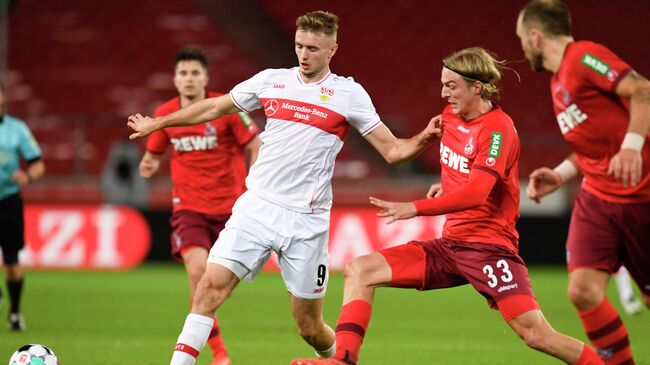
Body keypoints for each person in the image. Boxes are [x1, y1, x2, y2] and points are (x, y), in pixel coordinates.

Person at [127, 11, 441, 365]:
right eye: (299, 46)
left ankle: (338, 360)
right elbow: (215, 106)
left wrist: (424, 138)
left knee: (308, 325)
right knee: (207, 290)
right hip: (256, 208)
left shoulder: (348, 94)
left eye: (313, 48)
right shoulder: (271, 81)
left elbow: (393, 151)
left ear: (332, 50)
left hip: (306, 222)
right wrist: (160, 122)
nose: (304, 55)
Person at [291, 47, 603, 365]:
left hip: (488, 249)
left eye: (451, 85)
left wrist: (415, 208)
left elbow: (478, 194)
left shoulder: (498, 130)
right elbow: (464, 170)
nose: (444, 93)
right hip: (451, 246)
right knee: (361, 269)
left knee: (536, 334)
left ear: (476, 87)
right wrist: (448, 181)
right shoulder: (450, 116)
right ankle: (342, 360)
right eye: (443, 84)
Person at [517, 1, 650, 363]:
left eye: (522, 39)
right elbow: (592, 148)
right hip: (597, 197)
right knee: (583, 291)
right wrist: (560, 174)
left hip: (640, 197)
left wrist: (632, 147)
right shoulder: (557, 80)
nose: (522, 48)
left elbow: (642, 90)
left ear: (536, 35)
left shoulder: (583, 57)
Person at [138, 45, 261, 365]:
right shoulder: (166, 114)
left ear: (205, 78)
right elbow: (152, 154)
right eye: (183, 73)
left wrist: (256, 182)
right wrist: (148, 165)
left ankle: (208, 342)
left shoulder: (224, 109)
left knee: (217, 287)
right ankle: (220, 354)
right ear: (175, 79)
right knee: (197, 273)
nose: (189, 79)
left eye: (195, 73)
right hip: (189, 209)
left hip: (231, 211)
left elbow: (255, 144)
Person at [0, 79, 45, 331]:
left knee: (11, 261)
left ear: (4, 97)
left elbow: (38, 164)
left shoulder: (16, 129)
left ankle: (15, 312)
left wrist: (27, 176)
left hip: (7, 200)